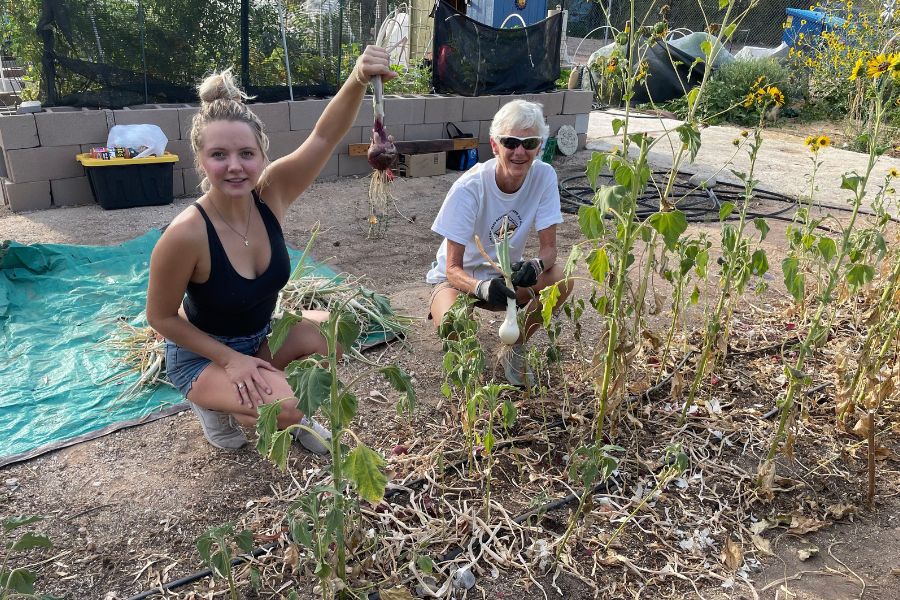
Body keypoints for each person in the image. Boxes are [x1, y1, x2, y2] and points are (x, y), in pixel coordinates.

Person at [146, 47, 395, 451]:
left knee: (331, 330)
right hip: (203, 356)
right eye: (219, 155)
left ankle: (274, 403)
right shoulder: (186, 234)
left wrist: (358, 78)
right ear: (200, 160)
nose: (234, 166)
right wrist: (230, 360)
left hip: (260, 335)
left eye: (246, 154)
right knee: (288, 406)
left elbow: (324, 136)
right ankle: (220, 406)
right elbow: (160, 317)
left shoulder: (272, 194)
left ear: (262, 155)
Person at [426, 99, 574, 386]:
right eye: (510, 142)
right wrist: (481, 287)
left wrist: (535, 264)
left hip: (506, 277)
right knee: (452, 325)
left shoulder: (544, 176)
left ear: (539, 146)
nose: (519, 152)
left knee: (562, 278)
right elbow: (452, 269)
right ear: (495, 146)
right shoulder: (470, 188)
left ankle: (515, 347)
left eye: (529, 143)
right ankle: (465, 359)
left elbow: (550, 250)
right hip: (460, 281)